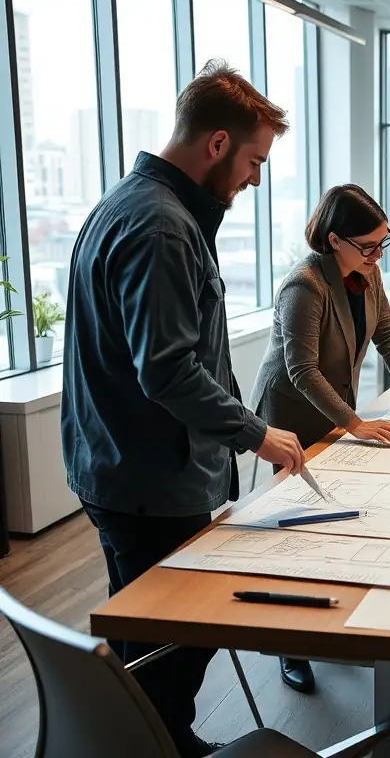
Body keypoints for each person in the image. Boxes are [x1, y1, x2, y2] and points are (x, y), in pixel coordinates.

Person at [60, 60, 306, 758]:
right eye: (255, 160)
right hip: (146, 479)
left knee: (149, 634)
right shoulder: (162, 228)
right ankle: (155, 742)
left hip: (116, 465)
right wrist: (256, 432)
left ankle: (154, 736)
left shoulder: (129, 203)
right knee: (175, 636)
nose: (256, 178)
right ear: (219, 145)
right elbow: (168, 370)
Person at [250, 184, 390, 693]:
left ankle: (331, 627)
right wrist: (355, 424)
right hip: (291, 414)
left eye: (384, 242)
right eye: (368, 245)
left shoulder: (369, 273)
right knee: (297, 529)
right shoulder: (304, 285)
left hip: (334, 409)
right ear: (334, 240)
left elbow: (387, 334)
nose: (379, 254)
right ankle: (290, 647)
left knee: (337, 523)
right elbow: (300, 370)